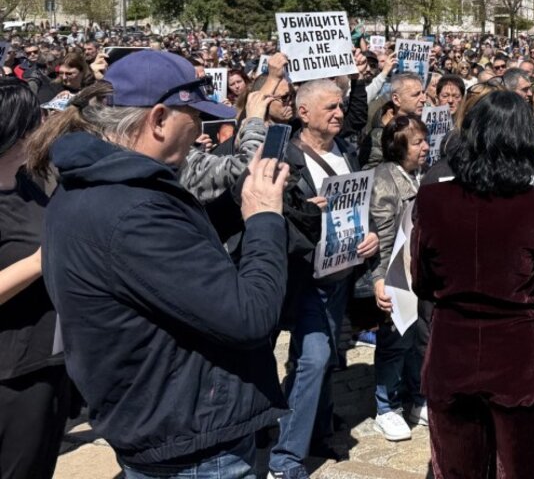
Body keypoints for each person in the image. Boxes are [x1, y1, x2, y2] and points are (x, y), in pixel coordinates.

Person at [40, 50, 292, 478]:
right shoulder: (134, 209)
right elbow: (249, 316)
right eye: (192, 116)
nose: (199, 131)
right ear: (158, 119)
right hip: (193, 442)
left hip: (164, 422)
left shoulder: (95, 185)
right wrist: (266, 217)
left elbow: (176, 268)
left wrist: (237, 204)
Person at [412, 91, 534, 478]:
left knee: (458, 467)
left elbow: (422, 280)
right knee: (525, 468)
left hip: (454, 348)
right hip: (518, 356)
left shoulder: (431, 198)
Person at [270, 78, 379, 479]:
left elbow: (358, 209)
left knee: (326, 356)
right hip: (306, 279)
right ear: (303, 113)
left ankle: (316, 431)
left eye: (340, 105)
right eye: (331, 107)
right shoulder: (286, 159)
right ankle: (286, 459)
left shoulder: (347, 152)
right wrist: (303, 215)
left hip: (342, 276)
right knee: (313, 360)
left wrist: (368, 238)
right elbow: (270, 219)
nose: (339, 113)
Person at [0, 78, 68, 479]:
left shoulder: (36, 183)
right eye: (39, 119)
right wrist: (42, 260)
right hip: (9, 373)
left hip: (49, 361)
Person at [370, 116, 430, 442]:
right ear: (398, 145)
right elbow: (382, 236)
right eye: (418, 142)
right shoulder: (384, 181)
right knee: (395, 343)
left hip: (419, 274)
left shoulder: (419, 176)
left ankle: (415, 398)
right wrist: (379, 279)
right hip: (396, 275)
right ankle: (386, 406)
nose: (425, 147)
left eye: (425, 140)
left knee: (417, 341)